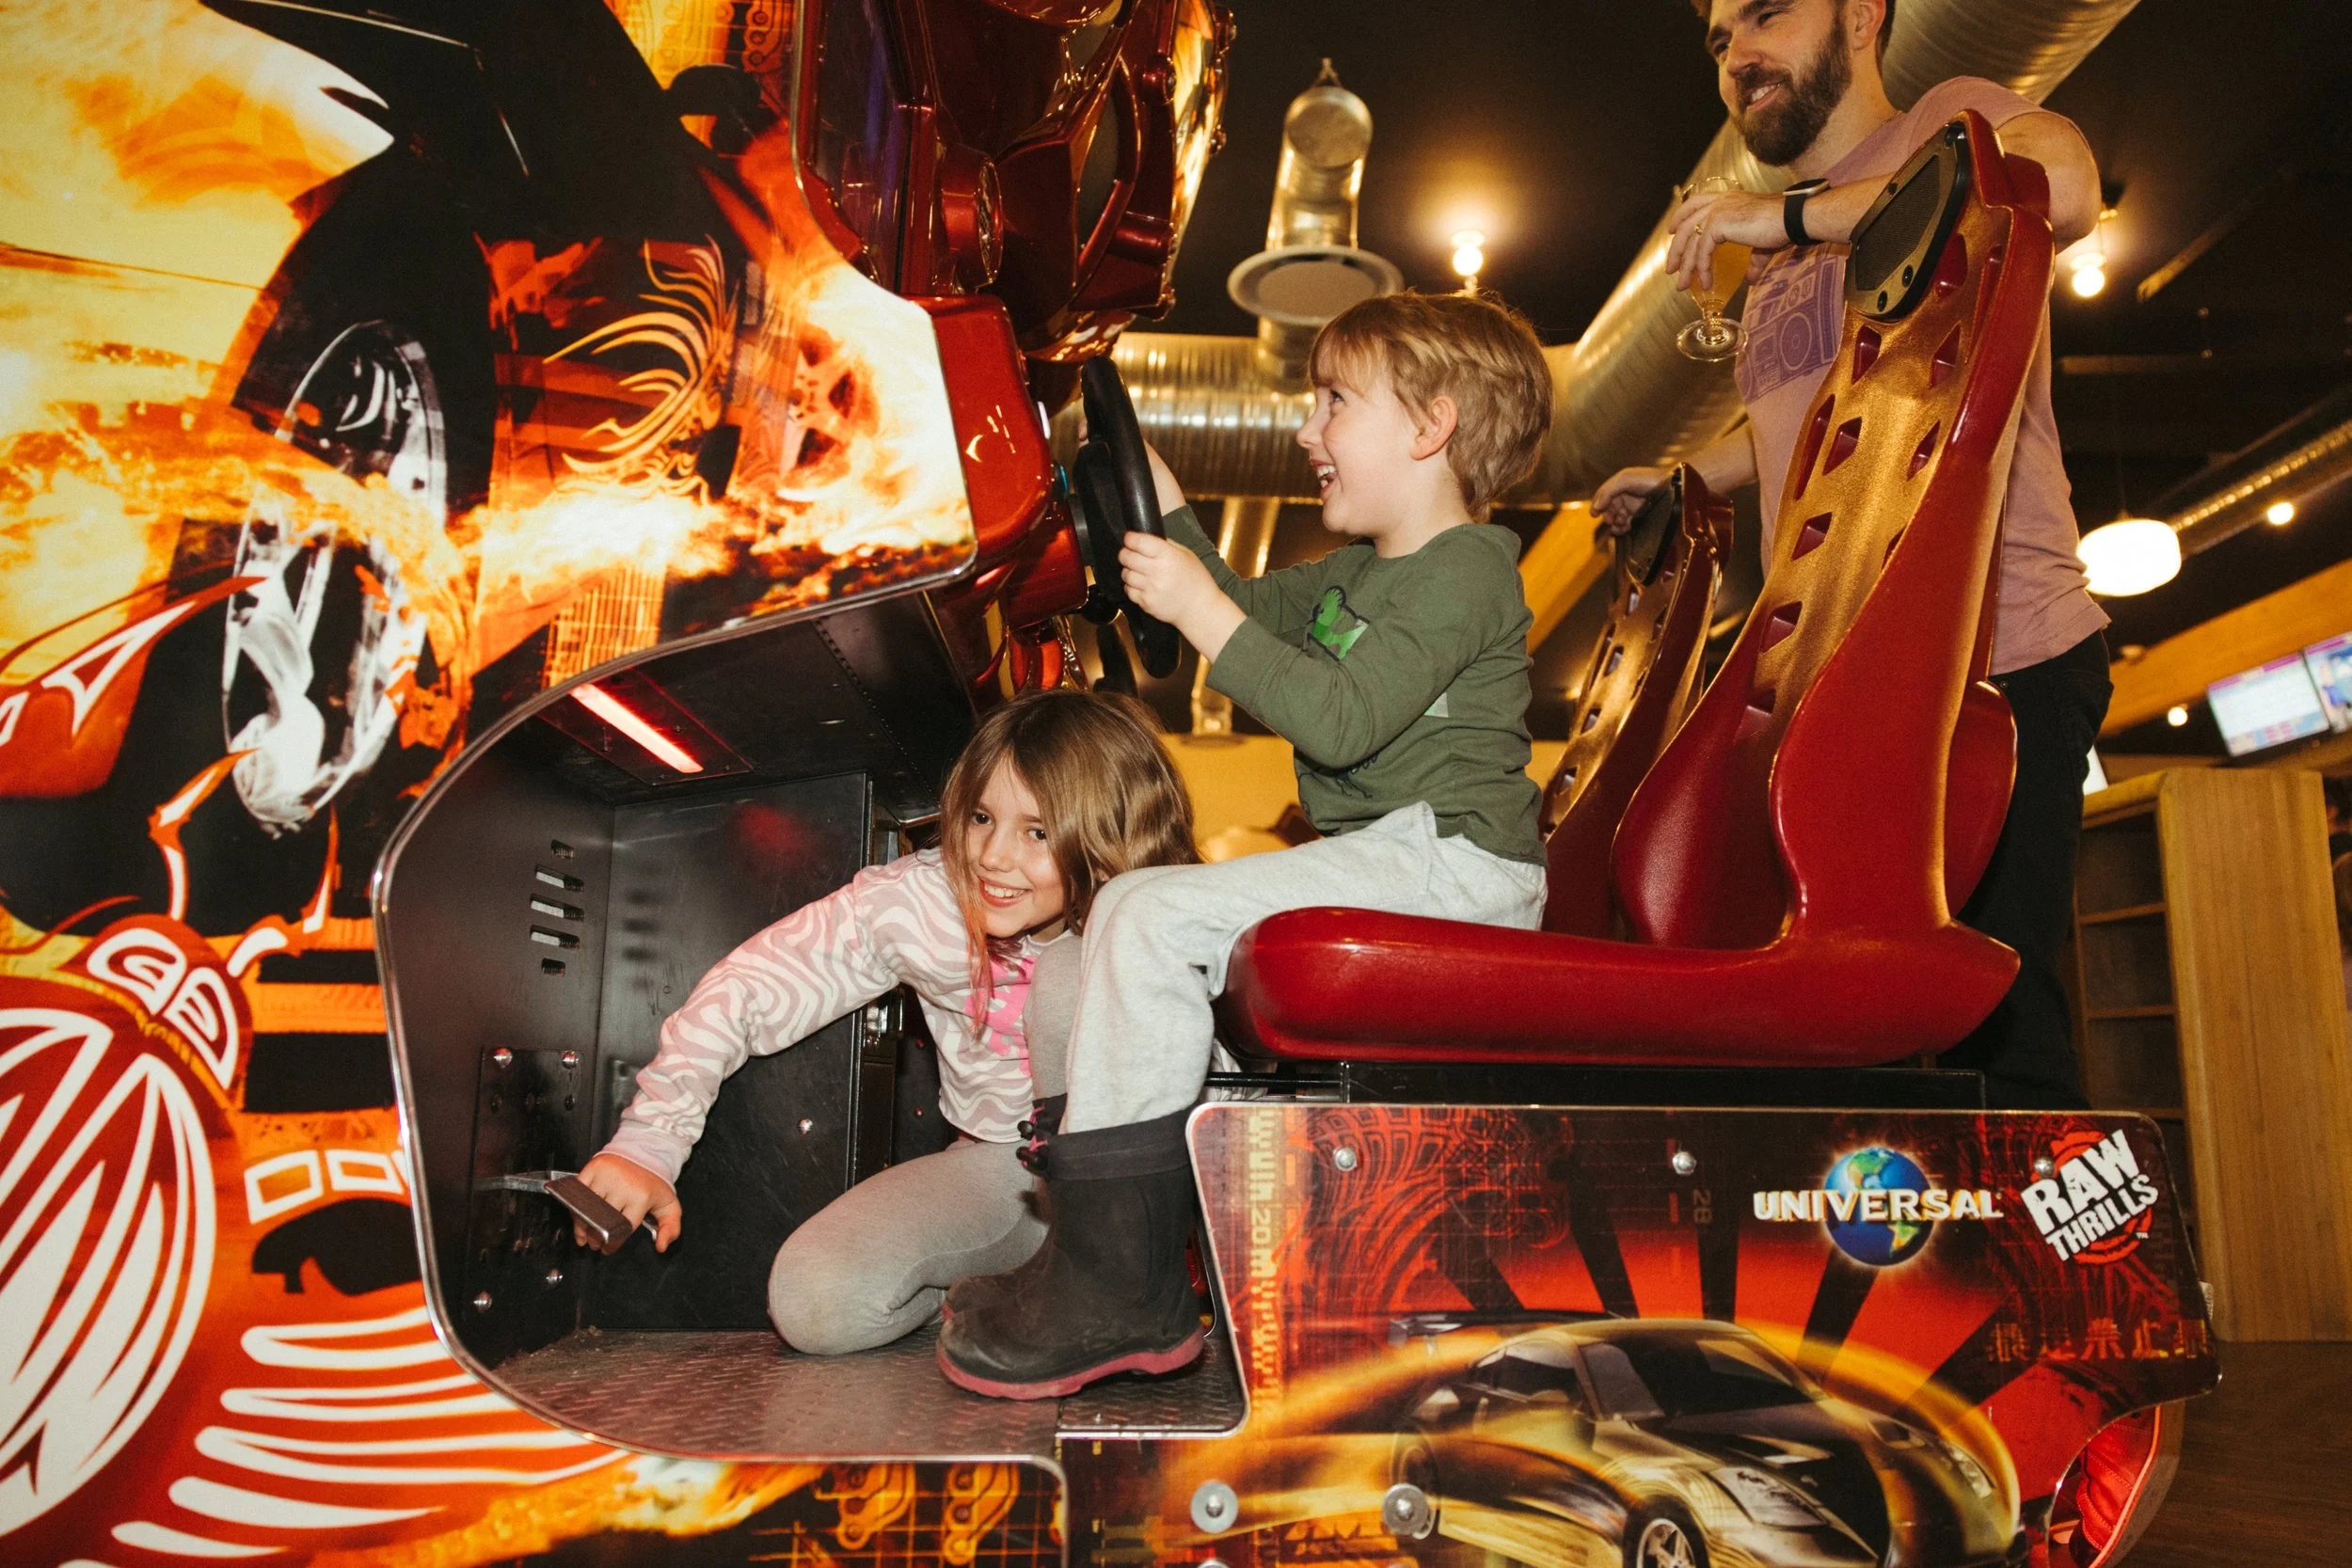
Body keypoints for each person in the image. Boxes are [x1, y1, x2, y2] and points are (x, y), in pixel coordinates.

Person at [939, 290, 1554, 1399]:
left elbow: (1337, 717)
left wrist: (1201, 611)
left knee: (1145, 907)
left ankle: (1120, 1285)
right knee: (1147, 914)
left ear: (1430, 427)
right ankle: (1119, 1257)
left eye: (1332, 403)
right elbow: (1238, 606)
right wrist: (1161, 505)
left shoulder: (1467, 567)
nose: (1304, 430)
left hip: (1458, 867)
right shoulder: (1355, 575)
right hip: (1400, 856)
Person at [1595, 0, 2111, 1110]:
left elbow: (2063, 185)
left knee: (1992, 1029)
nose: (1736, 52)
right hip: (1842, 677)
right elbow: (1811, 416)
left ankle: (2063, 1284)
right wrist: (1698, 478)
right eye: (1719, 35)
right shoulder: (1783, 259)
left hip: (1994, 656)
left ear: (1865, 15)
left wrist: (1779, 220)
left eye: (1766, 13)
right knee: (1856, 1039)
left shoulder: (1945, 122)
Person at [571, 688, 1197, 1354]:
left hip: (1142, 1188)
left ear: (1107, 840)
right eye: (981, 817)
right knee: (814, 1299)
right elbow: (750, 985)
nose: (993, 856)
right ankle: (1020, 1286)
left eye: (1037, 832)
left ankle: (1110, 1284)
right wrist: (647, 1145)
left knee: (1077, 970)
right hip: (1012, 1177)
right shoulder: (921, 902)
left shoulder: (1162, 912)